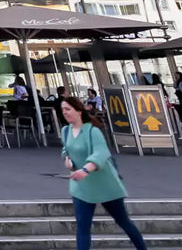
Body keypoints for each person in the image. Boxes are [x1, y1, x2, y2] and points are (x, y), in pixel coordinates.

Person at [60, 94, 149, 250]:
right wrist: (67, 159)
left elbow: (101, 153)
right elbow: (65, 149)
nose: (65, 112)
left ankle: (142, 247)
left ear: (79, 111)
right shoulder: (66, 131)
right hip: (82, 187)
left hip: (104, 184)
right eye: (63, 110)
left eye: (68, 109)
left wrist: (86, 169)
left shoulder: (92, 131)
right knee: (82, 227)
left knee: (123, 221)